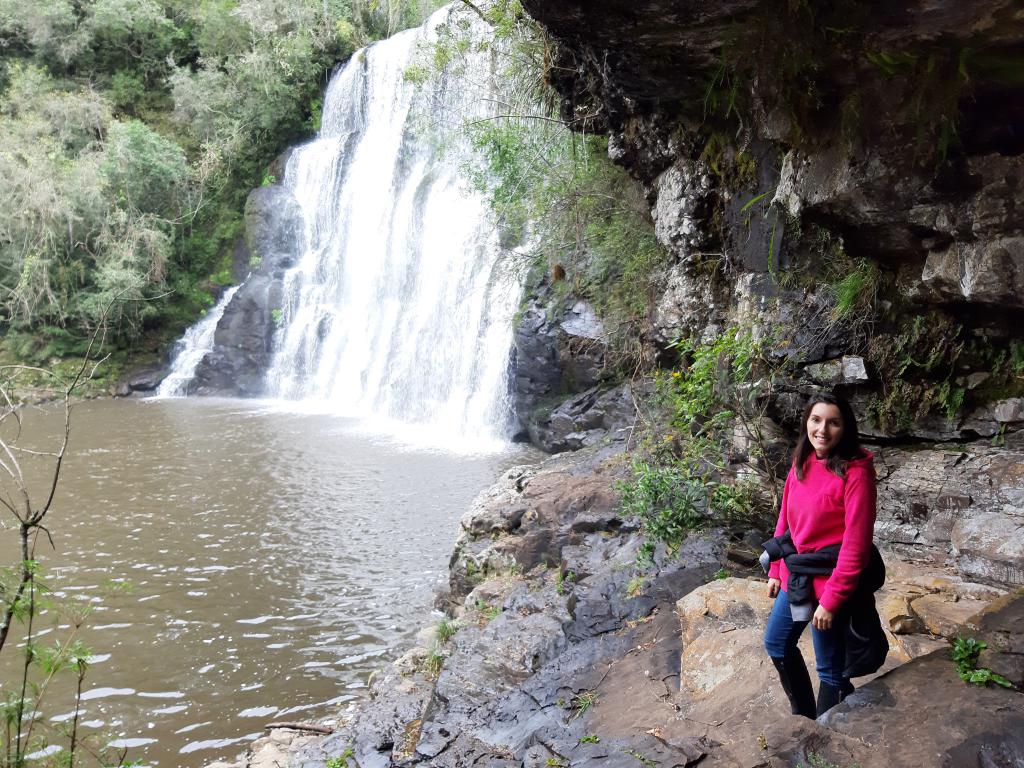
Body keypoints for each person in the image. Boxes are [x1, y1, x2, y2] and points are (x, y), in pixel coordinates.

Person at [762, 392, 878, 719]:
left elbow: (856, 546)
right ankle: (805, 720)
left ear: (845, 428)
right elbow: (786, 518)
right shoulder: (803, 460)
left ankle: (828, 733)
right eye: (816, 420)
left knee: (830, 668)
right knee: (777, 643)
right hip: (798, 574)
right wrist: (776, 569)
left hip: (829, 580)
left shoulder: (856, 473)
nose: (822, 430)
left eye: (833, 423)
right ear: (806, 423)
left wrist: (831, 600)